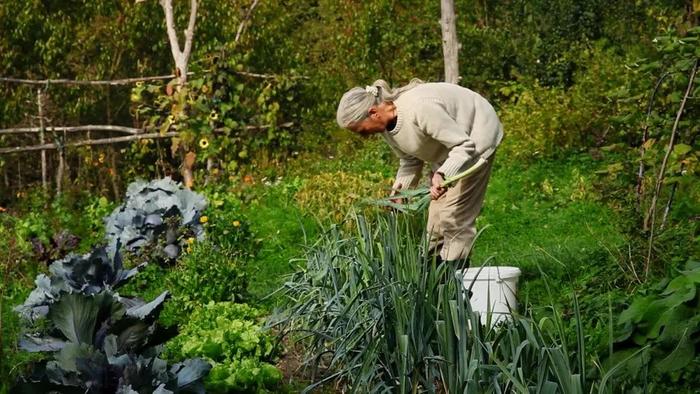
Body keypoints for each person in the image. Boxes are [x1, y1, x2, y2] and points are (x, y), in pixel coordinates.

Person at [336, 79, 503, 265]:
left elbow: (464, 145)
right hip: (450, 149)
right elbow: (409, 160)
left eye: (361, 131)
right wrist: (399, 194)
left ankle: (454, 279)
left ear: (373, 113)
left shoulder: (419, 109)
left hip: (475, 135)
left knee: (453, 218)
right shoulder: (386, 127)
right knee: (435, 223)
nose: (364, 137)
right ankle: (432, 278)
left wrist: (442, 174)